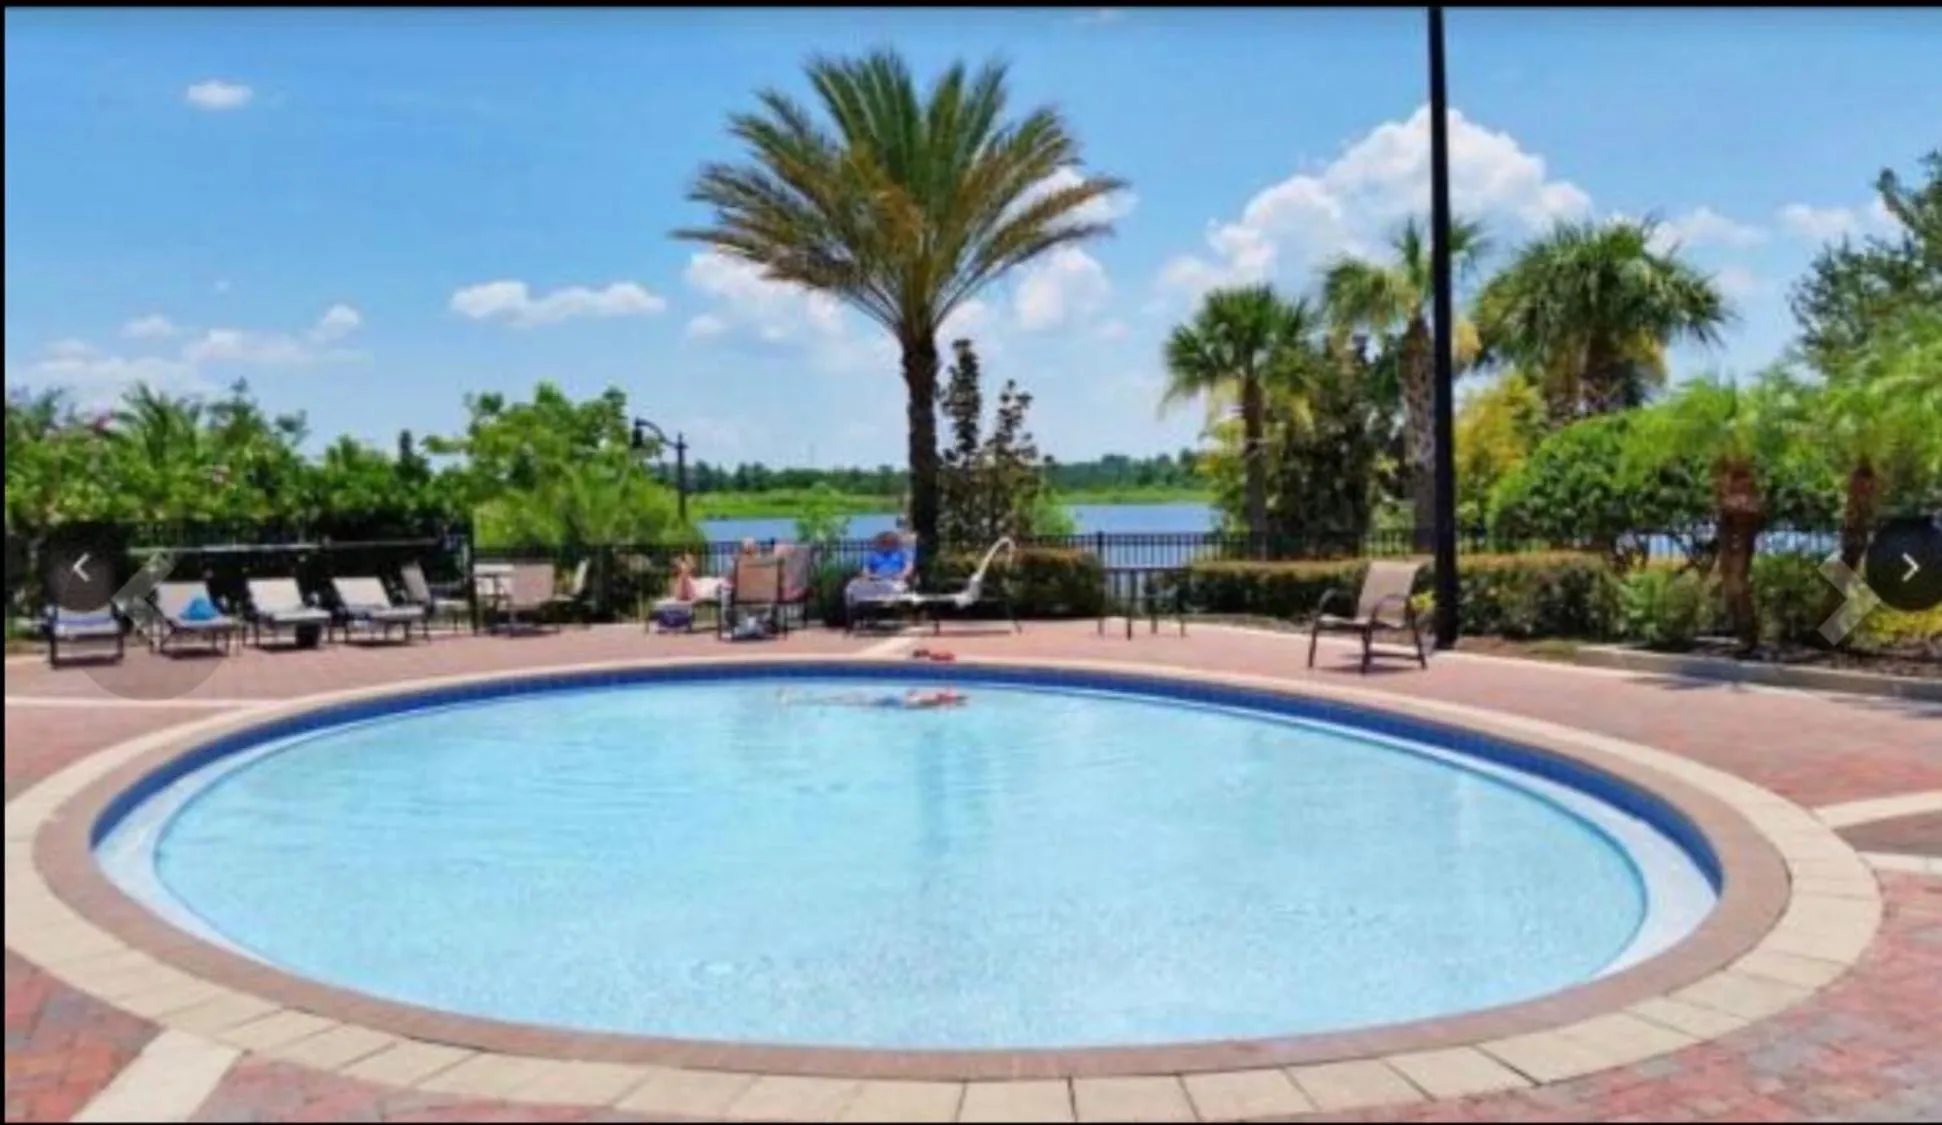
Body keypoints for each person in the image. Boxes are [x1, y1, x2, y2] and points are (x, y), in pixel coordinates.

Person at [846, 529, 915, 607]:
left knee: (894, 588)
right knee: (853, 584)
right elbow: (866, 569)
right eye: (884, 541)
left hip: (894, 580)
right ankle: (854, 606)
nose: (886, 543)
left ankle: (886, 607)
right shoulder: (874, 555)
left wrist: (901, 575)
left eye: (889, 541)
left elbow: (908, 567)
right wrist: (868, 575)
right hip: (877, 581)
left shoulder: (901, 553)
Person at [779, 687, 966, 710]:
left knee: (845, 700)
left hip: (888, 702)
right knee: (845, 699)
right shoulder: (929, 701)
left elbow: (911, 699)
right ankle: (796, 700)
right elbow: (911, 697)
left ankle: (796, 700)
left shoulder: (930, 702)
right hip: (889, 701)